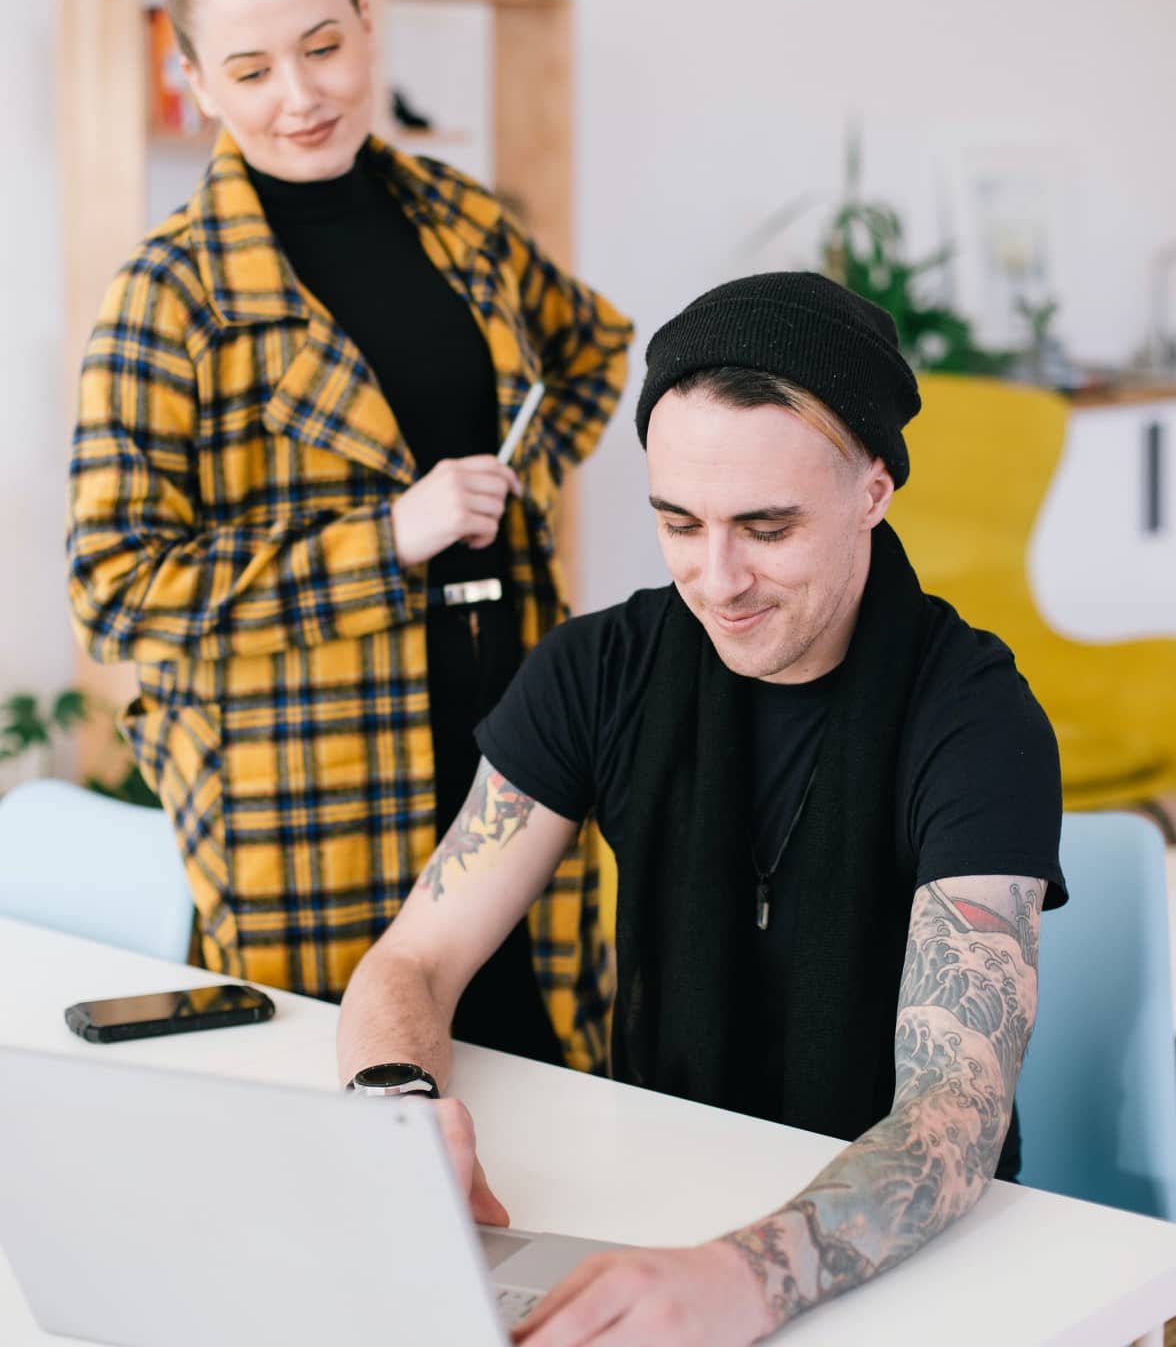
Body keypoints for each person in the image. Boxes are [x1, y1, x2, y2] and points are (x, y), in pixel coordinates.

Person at [337, 271, 1066, 1344]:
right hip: (659, 1196)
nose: (717, 579)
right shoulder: (602, 670)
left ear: (874, 488)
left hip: (916, 1264)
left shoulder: (975, 719)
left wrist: (747, 1278)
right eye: (679, 522)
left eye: (767, 527)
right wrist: (396, 1114)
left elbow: (953, 1116)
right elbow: (414, 961)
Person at [66, 0, 632, 1074]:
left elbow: (591, 348)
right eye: (253, 70)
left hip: (513, 735)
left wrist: (509, 493)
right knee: (352, 1123)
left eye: (324, 46)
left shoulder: (458, 217)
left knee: (553, 1084)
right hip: (304, 790)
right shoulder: (170, 293)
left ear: (369, 25)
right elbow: (113, 594)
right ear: (194, 81)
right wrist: (389, 539)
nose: (302, 94)